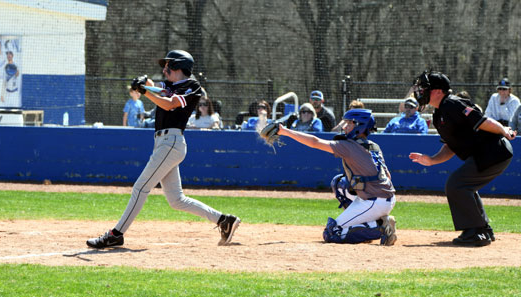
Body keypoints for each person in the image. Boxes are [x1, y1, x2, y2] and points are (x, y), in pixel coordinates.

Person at [87, 50, 240, 249]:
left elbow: (169, 104)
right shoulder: (169, 85)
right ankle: (224, 221)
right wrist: (143, 83)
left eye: (168, 66)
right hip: (163, 143)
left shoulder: (192, 86)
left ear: (178, 66)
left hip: (172, 142)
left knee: (140, 187)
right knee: (176, 200)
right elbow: (156, 87)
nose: (165, 70)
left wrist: (145, 91)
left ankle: (116, 234)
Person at [408, 71, 515, 246]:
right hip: (487, 154)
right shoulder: (439, 114)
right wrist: (432, 160)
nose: (421, 92)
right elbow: (450, 146)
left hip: (495, 151)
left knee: (457, 184)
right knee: (462, 185)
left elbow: (483, 121)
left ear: (438, 91)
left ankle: (476, 231)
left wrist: (504, 130)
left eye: (425, 88)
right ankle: (482, 229)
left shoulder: (452, 103)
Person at [276, 109, 397, 245]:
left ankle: (381, 227)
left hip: (374, 201)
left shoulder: (348, 145)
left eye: (350, 123)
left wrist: (285, 131)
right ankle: (367, 226)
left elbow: (315, 142)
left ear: (360, 126)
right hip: (385, 198)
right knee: (340, 183)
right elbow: (387, 175)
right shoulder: (374, 146)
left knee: (333, 233)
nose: (345, 127)